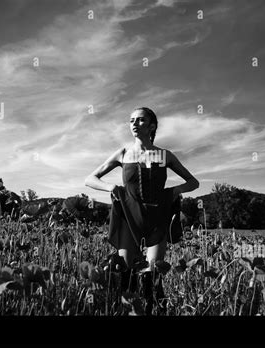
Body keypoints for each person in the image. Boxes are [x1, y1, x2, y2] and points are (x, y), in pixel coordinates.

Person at [85, 107, 199, 314]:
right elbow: (90, 179)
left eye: (140, 120)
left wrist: (176, 191)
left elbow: (193, 182)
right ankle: (127, 310)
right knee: (127, 273)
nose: (134, 124)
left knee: (151, 274)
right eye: (131, 120)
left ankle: (155, 310)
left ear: (152, 126)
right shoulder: (123, 153)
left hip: (158, 215)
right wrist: (110, 187)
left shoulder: (164, 155)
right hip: (128, 216)